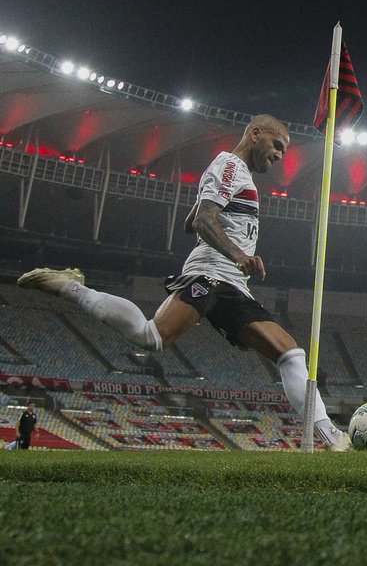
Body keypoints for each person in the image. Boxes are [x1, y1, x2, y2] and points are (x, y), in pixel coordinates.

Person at [18, 114, 348, 450]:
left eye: (284, 151)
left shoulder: (239, 174)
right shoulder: (230, 165)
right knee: (152, 338)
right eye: (277, 145)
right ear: (255, 134)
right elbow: (204, 220)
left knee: (291, 355)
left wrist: (216, 228)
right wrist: (238, 254)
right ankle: (69, 286)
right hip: (211, 272)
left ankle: (330, 436)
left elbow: (194, 221)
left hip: (233, 284)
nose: (280, 155)